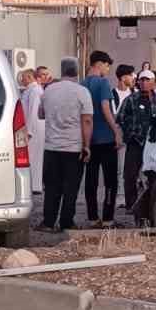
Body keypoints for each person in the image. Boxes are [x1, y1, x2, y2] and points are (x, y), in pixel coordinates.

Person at [38, 57, 92, 233]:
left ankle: (48, 222)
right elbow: (87, 120)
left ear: (61, 71)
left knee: (52, 187)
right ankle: (66, 222)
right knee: (71, 187)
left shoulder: (48, 90)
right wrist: (87, 146)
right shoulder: (82, 92)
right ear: (76, 71)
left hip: (52, 147)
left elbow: (41, 114)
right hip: (73, 148)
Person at [82, 48, 122, 228]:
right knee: (110, 181)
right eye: (107, 66)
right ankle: (107, 218)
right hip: (106, 138)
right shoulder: (103, 83)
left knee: (90, 180)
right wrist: (116, 130)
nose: (108, 70)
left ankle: (92, 217)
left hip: (88, 140)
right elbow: (106, 108)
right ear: (100, 64)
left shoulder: (81, 84)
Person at [120, 66, 156, 213]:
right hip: (135, 143)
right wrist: (129, 133)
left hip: (153, 143)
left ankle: (149, 206)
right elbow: (120, 118)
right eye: (141, 80)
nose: (144, 82)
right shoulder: (130, 100)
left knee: (152, 175)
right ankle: (131, 205)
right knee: (130, 175)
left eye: (147, 80)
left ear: (154, 82)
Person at [19, 69, 45, 197]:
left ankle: (35, 185)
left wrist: (29, 130)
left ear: (29, 77)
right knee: (31, 157)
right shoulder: (30, 90)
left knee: (34, 157)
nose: (21, 80)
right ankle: (32, 184)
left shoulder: (35, 90)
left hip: (33, 129)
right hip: (31, 127)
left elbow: (33, 111)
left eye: (23, 77)